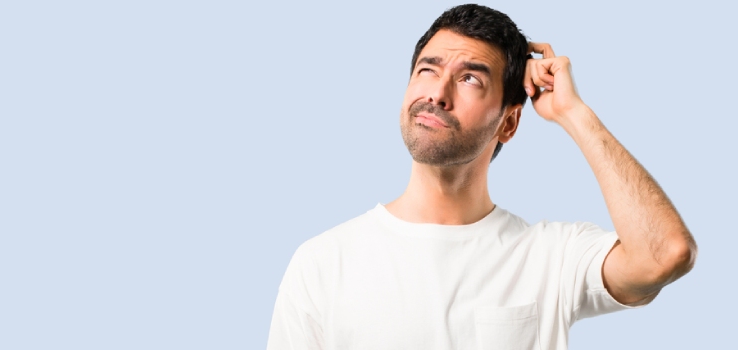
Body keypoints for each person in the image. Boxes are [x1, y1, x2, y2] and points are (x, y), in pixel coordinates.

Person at [266, 4, 696, 350]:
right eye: (428, 70)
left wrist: (573, 113)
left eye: (469, 78)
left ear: (509, 123)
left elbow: (665, 254)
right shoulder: (323, 263)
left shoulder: (550, 257)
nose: (437, 94)